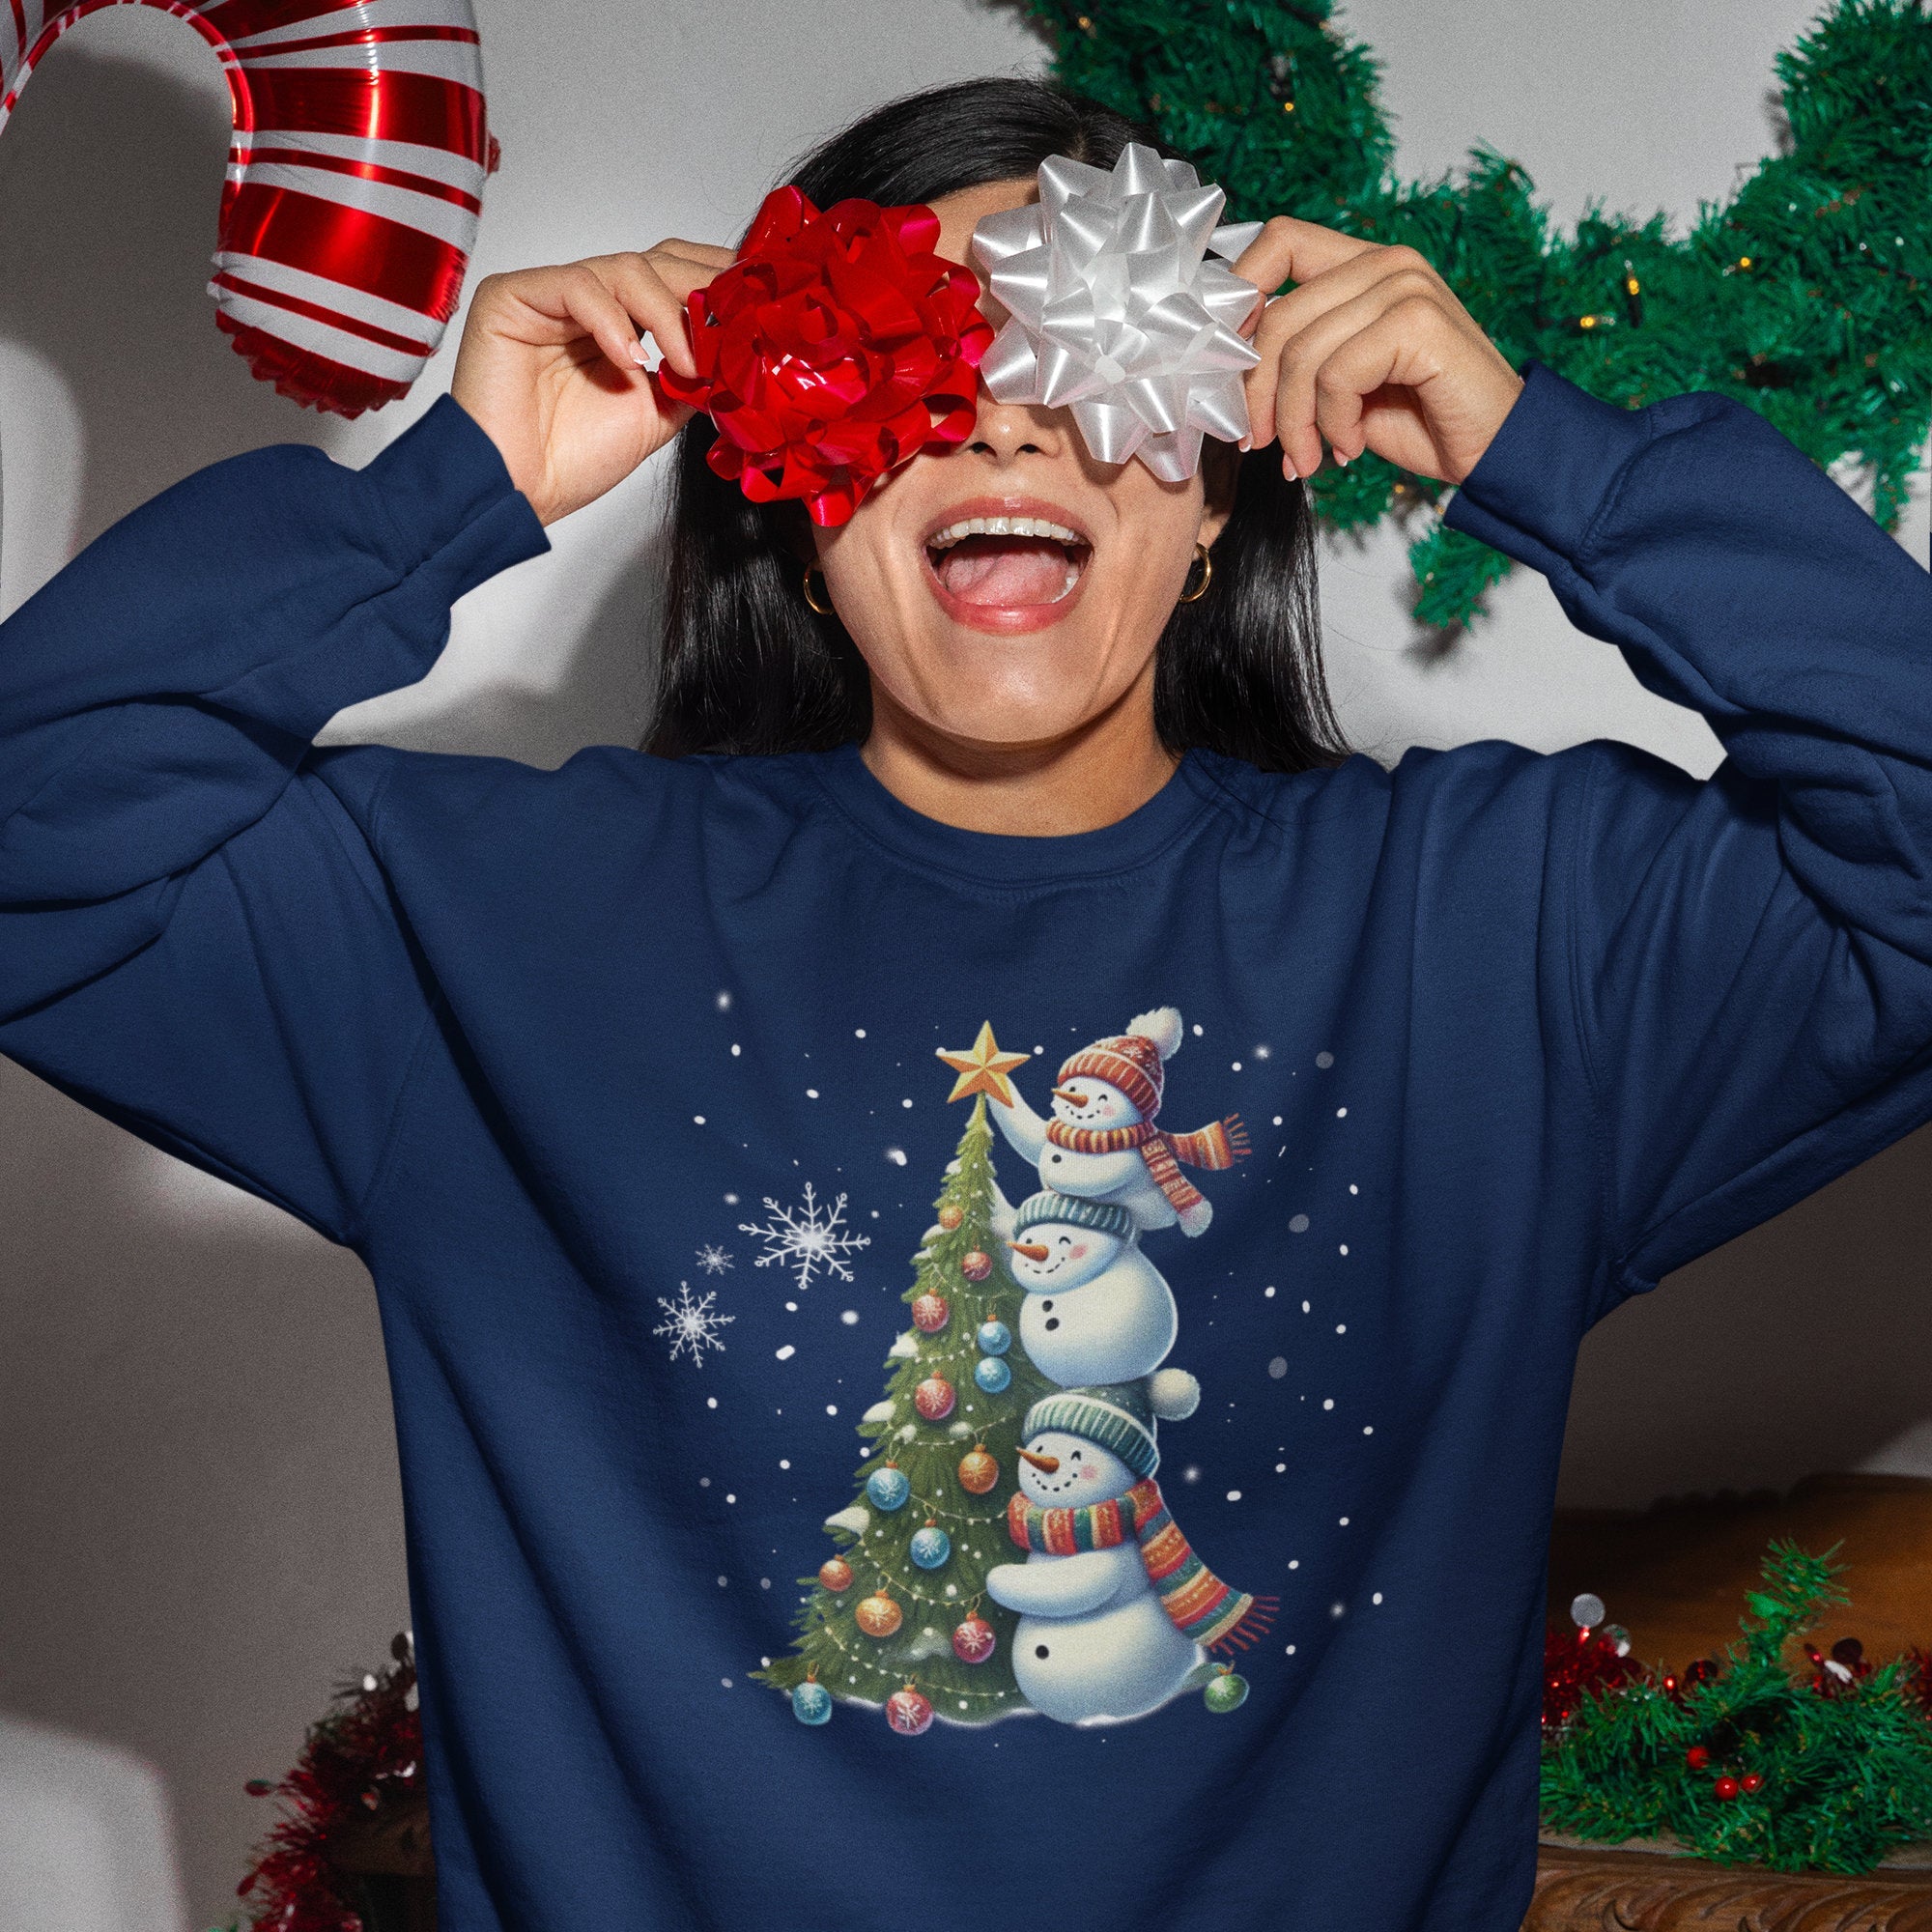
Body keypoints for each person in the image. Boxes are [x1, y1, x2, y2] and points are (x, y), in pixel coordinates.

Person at [3, 71, 1929, 1932]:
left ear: (1212, 499)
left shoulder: (1502, 934)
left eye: (1090, 358)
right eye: (917, 360)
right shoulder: (488, 928)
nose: (1007, 426)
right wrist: (457, 488)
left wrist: (1545, 453)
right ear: (794, 478)